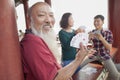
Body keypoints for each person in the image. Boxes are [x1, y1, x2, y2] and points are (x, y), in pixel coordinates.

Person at [20, 2, 95, 80]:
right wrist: (79, 59)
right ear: (29, 19)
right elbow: (54, 78)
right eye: (41, 15)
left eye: (51, 15)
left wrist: (65, 73)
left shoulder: (39, 39)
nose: (48, 20)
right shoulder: (32, 43)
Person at [79, 15, 120, 80]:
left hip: (104, 55)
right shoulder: (92, 32)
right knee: (79, 66)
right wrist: (88, 38)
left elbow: (109, 48)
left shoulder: (108, 32)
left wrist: (102, 39)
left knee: (115, 75)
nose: (95, 23)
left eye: (98, 21)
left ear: (103, 22)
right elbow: (87, 45)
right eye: (94, 21)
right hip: (94, 54)